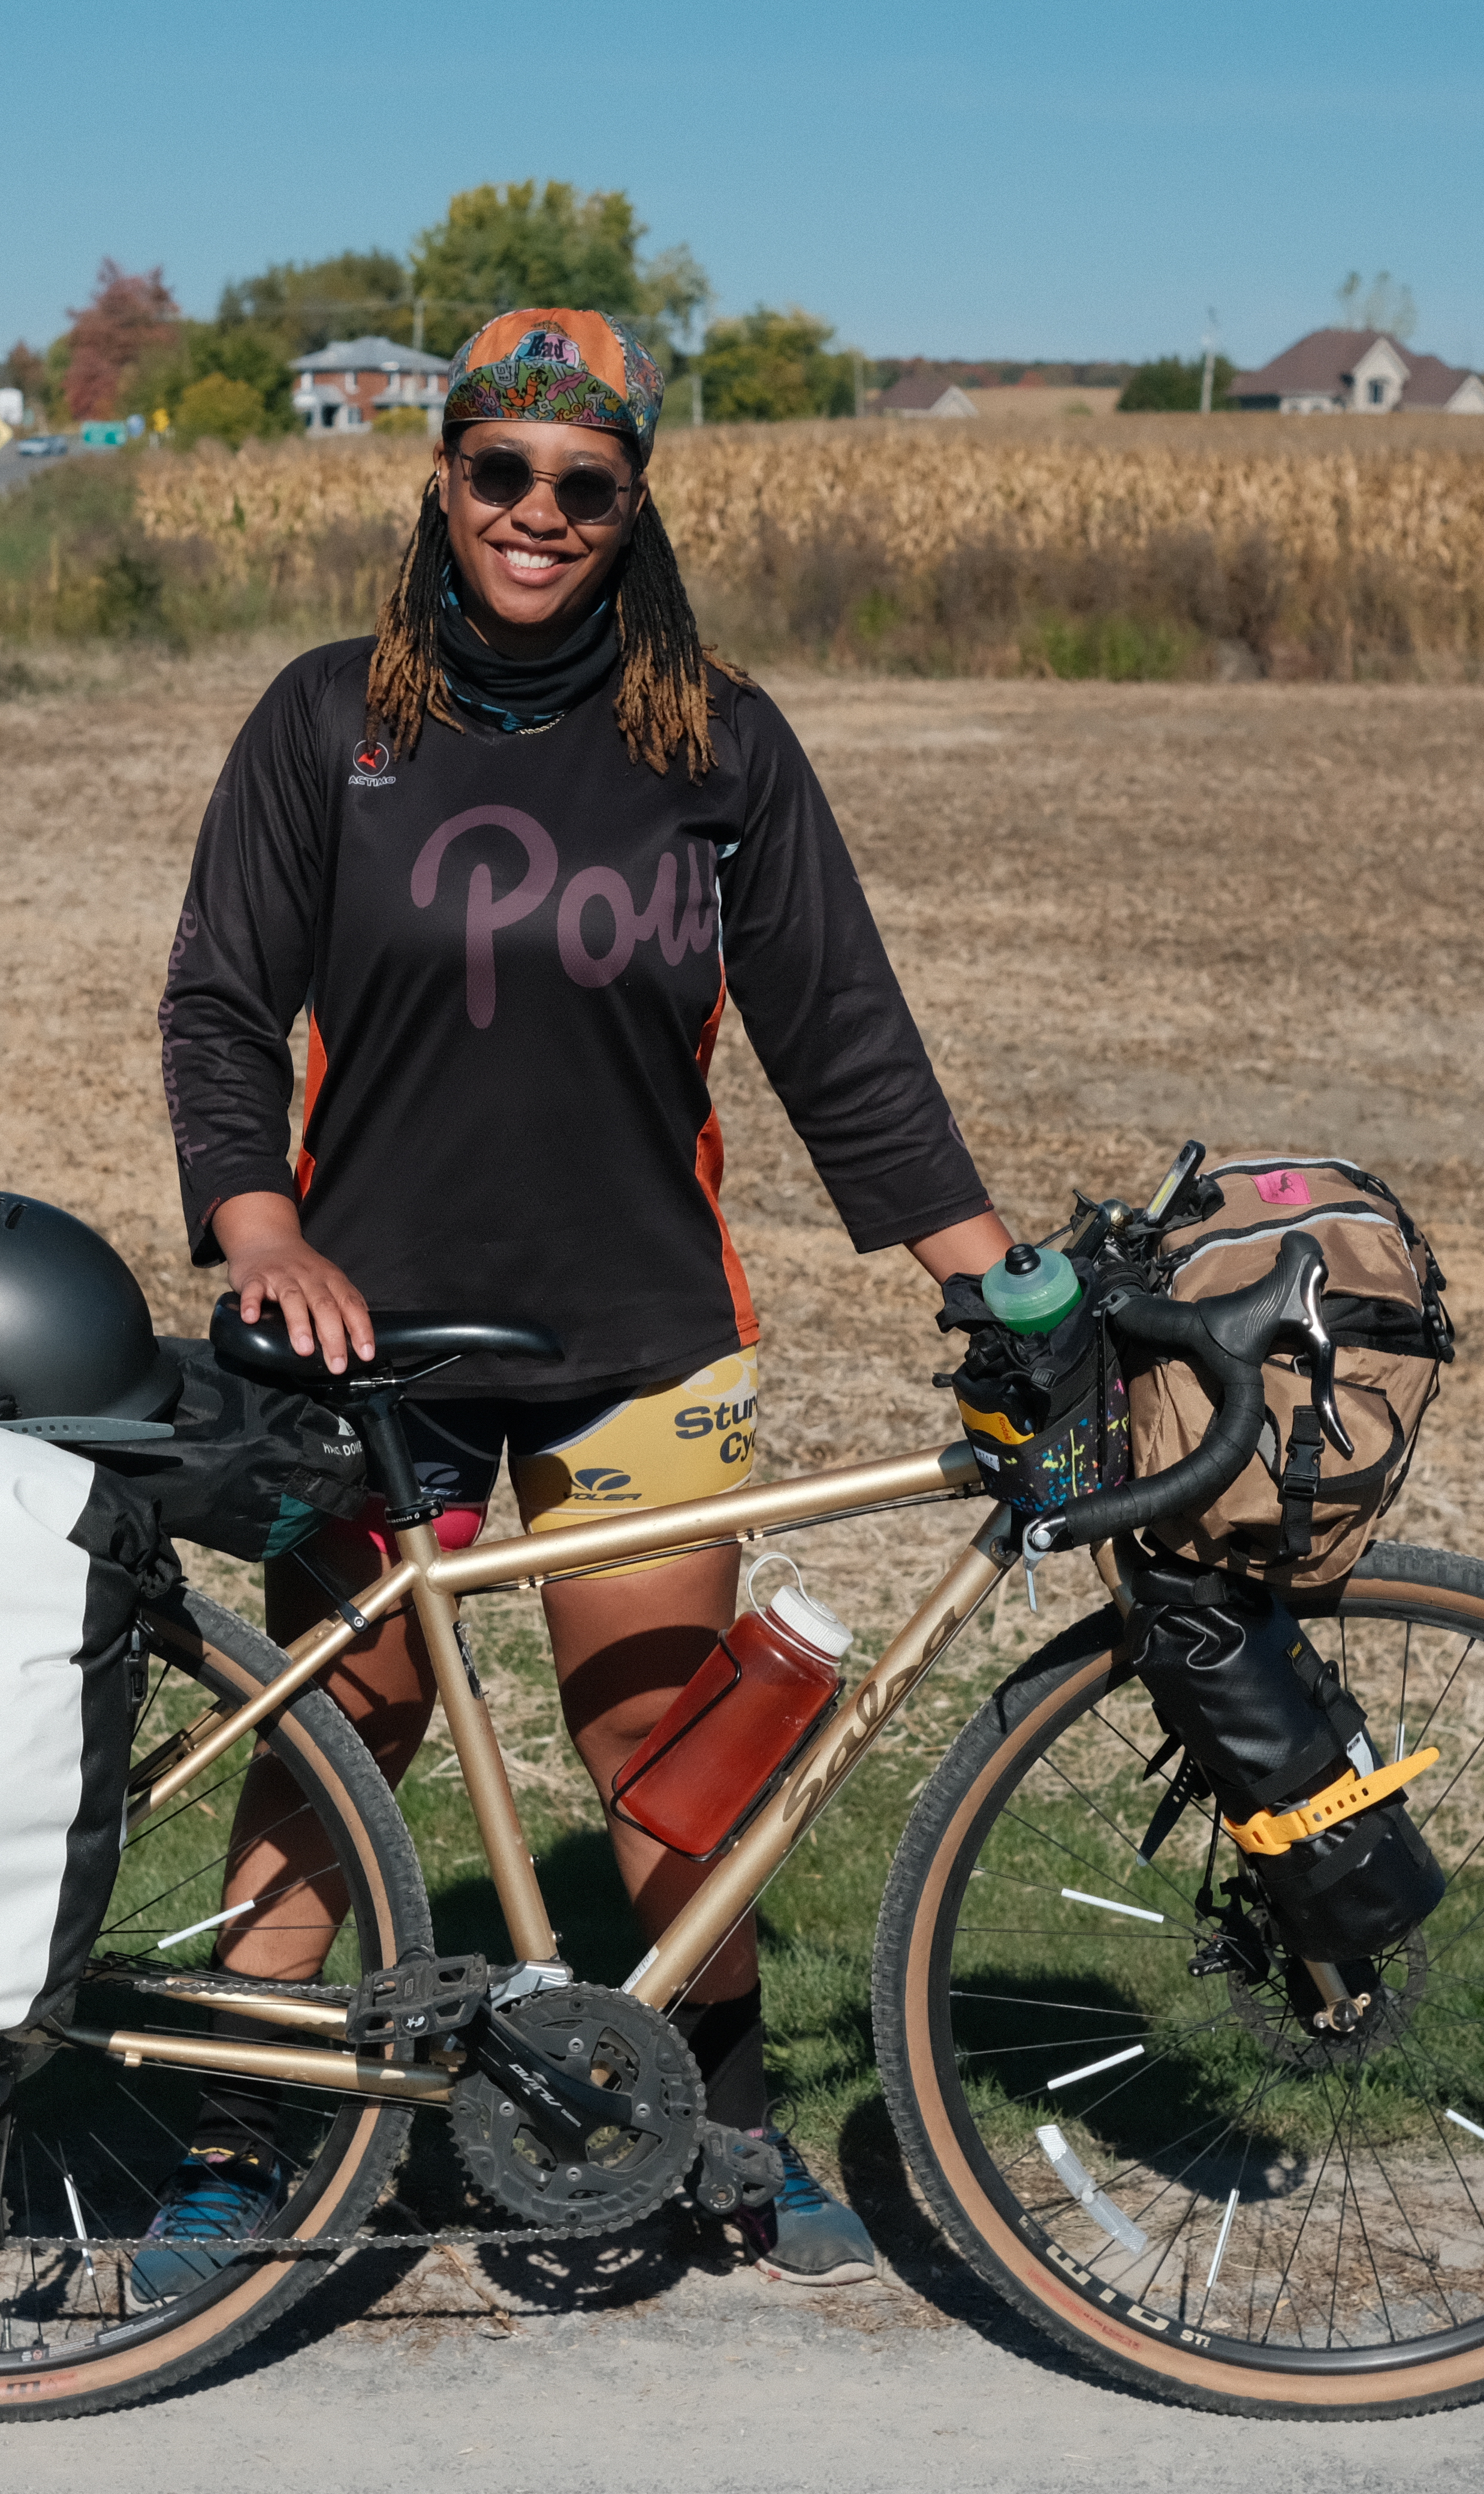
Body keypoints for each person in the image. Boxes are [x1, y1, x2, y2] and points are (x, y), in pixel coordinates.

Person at [149, 307, 1011, 2299]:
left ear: (634, 508)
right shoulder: (324, 724)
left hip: (641, 1333)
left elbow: (840, 1040)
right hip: (377, 1348)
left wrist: (990, 1270)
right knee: (329, 1747)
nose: (537, 513)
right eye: (500, 472)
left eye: (583, 485)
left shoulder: (716, 743)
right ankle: (247, 2138)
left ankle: (717, 2115)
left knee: (668, 1758)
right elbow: (218, 1001)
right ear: (440, 481)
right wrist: (258, 1228)